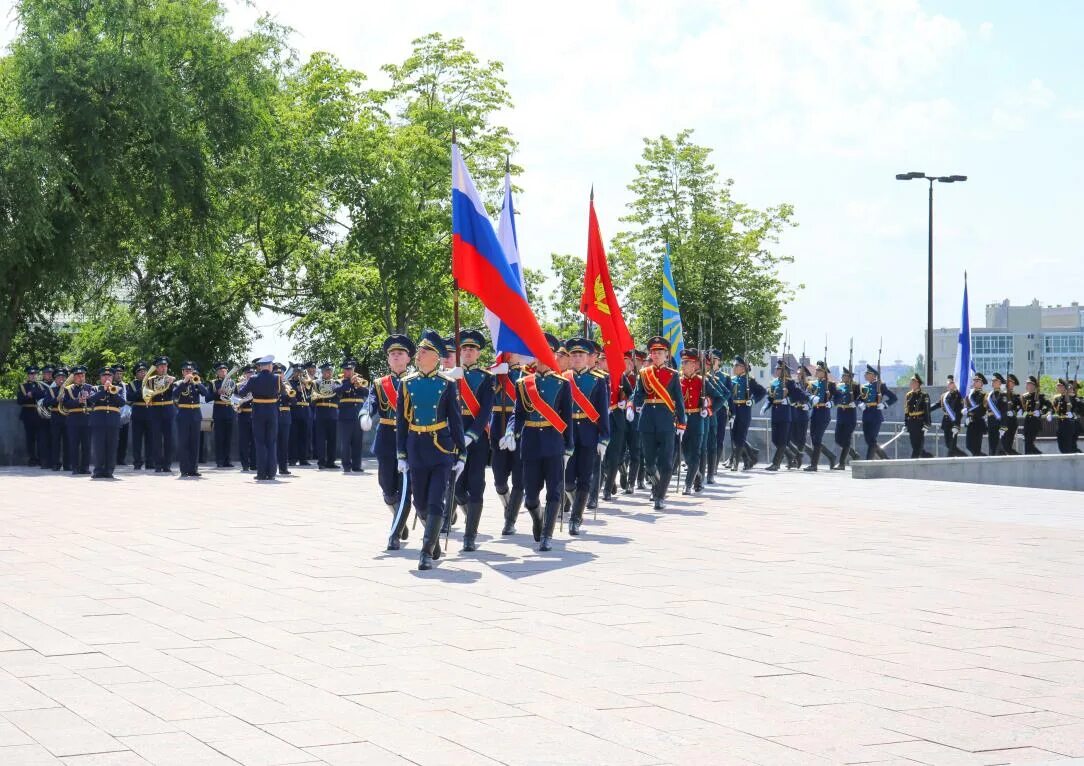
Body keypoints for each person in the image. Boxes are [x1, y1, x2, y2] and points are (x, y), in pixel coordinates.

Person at [397, 330, 466, 570]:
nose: (418, 355)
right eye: (419, 351)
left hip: (441, 448)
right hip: (416, 446)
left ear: (435, 357)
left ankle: (426, 552)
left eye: (423, 351)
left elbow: (455, 420)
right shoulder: (407, 384)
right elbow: (401, 422)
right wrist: (401, 454)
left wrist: (461, 453)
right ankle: (433, 540)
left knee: (437, 501)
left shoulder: (447, 384)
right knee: (421, 504)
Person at [510, 333, 572, 551]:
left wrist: (569, 445)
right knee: (531, 496)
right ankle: (538, 519)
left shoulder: (562, 384)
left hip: (554, 441)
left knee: (554, 491)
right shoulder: (523, 383)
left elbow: (566, 417)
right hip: (531, 442)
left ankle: (547, 535)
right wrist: (513, 433)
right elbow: (519, 413)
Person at [367, 335, 415, 550]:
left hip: (409, 438)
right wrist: (364, 414)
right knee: (387, 488)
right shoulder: (380, 383)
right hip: (386, 438)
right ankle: (399, 517)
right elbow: (371, 403)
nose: (396, 357)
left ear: (408, 358)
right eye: (392, 354)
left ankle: (394, 534)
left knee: (405, 488)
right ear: (388, 360)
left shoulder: (416, 380)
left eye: (400, 354)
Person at [450, 329, 495, 551]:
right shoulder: (449, 376)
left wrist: (472, 434)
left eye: (472, 349)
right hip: (453, 437)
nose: (468, 351)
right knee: (456, 486)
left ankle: (470, 535)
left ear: (478, 353)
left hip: (476, 439)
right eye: (464, 348)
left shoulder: (487, 378)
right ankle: (469, 513)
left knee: (476, 485)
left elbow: (486, 410)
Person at [562, 336, 609, 532]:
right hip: (567, 433)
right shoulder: (563, 379)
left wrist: (604, 437)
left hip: (589, 433)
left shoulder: (598, 380)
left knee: (584, 477)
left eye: (581, 354)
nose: (577, 357)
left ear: (588, 357)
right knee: (567, 479)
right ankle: (575, 503)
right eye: (574, 354)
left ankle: (576, 517)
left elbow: (602, 410)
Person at [632, 336, 686, 510]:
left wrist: (682, 423)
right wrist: (633, 405)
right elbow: (639, 394)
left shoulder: (673, 375)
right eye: (653, 352)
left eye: (659, 352)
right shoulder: (644, 373)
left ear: (667, 355)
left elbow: (679, 399)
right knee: (649, 463)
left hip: (666, 421)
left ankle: (660, 495)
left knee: (666, 462)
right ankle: (656, 487)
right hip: (647, 420)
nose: (655, 355)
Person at [492, 353, 527, 534]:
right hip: (499, 421)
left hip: (521, 424)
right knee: (499, 480)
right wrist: (498, 373)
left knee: (519, 479)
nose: (509, 354)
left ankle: (510, 520)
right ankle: (508, 506)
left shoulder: (527, 374)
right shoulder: (495, 372)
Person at [236, 355, 280, 481]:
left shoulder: (254, 378)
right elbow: (282, 393)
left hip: (258, 413)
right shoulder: (276, 378)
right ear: (270, 366)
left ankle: (261, 473)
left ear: (260, 367)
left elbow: (241, 393)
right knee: (271, 442)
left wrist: (248, 382)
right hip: (272, 412)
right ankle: (271, 473)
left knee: (260, 443)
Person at [601, 352, 634, 501]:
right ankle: (609, 477)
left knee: (614, 456)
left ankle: (607, 489)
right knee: (602, 458)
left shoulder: (620, 376)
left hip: (616, 420)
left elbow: (631, 394)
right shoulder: (596, 377)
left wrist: (625, 402)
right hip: (600, 421)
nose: (601, 362)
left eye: (604, 359)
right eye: (600, 359)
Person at [763, 361, 806, 471]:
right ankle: (794, 456)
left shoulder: (790, 383)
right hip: (775, 413)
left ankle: (775, 464)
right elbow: (770, 398)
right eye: (776, 369)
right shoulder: (774, 383)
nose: (776, 371)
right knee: (775, 440)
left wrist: (789, 399)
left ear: (784, 371)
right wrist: (766, 406)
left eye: (779, 369)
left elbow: (801, 395)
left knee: (782, 441)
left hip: (785, 414)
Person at [677, 349, 708, 493]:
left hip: (696, 420)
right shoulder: (678, 381)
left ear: (695, 364)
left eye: (686, 362)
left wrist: (708, 407)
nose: (683, 365)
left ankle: (687, 484)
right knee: (687, 456)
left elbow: (722, 395)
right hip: (682, 421)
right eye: (682, 362)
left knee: (695, 454)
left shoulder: (702, 381)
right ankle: (698, 477)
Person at [728, 356, 765, 471]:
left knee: (741, 436)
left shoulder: (750, 380)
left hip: (744, 409)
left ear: (743, 368)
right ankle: (749, 459)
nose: (734, 368)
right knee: (734, 437)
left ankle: (736, 463)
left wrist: (752, 400)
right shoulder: (732, 379)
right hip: (734, 410)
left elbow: (762, 392)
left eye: (736, 366)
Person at [89, 367, 126, 479]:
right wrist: (104, 391)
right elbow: (91, 399)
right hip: (98, 421)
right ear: (100, 378)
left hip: (113, 422)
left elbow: (122, 402)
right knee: (98, 447)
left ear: (112, 377)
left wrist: (112, 392)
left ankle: (109, 470)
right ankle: (98, 470)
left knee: (112, 447)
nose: (107, 378)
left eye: (109, 376)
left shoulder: (118, 389)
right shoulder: (95, 388)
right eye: (104, 376)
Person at [173, 362, 207, 478]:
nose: (189, 373)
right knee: (183, 443)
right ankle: (184, 469)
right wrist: (184, 382)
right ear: (182, 372)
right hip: (183, 415)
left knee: (195, 443)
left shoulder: (196, 382)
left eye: (190, 371)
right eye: (186, 371)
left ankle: (193, 469)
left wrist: (198, 383)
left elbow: (206, 394)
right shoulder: (178, 383)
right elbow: (175, 395)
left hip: (196, 415)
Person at [145, 356, 178, 473]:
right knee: (156, 439)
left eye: (165, 366)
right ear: (157, 368)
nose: (163, 368)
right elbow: (147, 395)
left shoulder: (172, 379)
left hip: (169, 410)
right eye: (160, 366)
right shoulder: (150, 380)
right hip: (156, 410)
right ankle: (158, 464)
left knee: (169, 439)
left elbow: (175, 395)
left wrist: (171, 384)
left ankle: (167, 465)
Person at [804, 361, 838, 471]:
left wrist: (832, 403)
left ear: (824, 372)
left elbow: (839, 396)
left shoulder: (830, 384)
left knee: (817, 438)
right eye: (817, 370)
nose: (817, 372)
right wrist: (811, 399)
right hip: (815, 413)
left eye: (819, 370)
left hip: (824, 413)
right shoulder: (812, 384)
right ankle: (831, 456)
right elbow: (807, 393)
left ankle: (814, 465)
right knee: (814, 439)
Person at [858, 364, 897, 460]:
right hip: (866, 415)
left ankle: (868, 461)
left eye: (867, 373)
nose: (865, 375)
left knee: (872, 440)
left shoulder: (880, 386)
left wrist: (884, 405)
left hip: (875, 415)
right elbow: (858, 399)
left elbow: (893, 398)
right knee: (869, 440)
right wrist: (860, 404)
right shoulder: (864, 387)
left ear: (873, 375)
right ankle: (885, 458)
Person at [59, 365, 94, 475]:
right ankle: (74, 467)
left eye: (82, 375)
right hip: (73, 420)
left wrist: (89, 398)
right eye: (78, 376)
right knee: (74, 445)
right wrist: (78, 401)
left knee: (86, 445)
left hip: (87, 419)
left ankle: (85, 468)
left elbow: (94, 402)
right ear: (74, 377)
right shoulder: (68, 389)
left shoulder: (90, 387)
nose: (81, 377)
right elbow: (66, 404)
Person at [336, 360, 368, 473]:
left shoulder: (360, 381)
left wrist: (358, 386)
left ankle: (356, 465)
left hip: (358, 415)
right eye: (347, 369)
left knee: (358, 442)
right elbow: (338, 391)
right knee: (345, 443)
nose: (349, 371)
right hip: (345, 416)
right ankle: (346, 466)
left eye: (351, 369)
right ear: (343, 370)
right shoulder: (339, 381)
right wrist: (349, 382)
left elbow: (367, 393)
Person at [705, 350, 731, 483]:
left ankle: (714, 465)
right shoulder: (705, 374)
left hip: (720, 410)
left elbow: (728, 394)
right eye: (711, 359)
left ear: (719, 361)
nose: (713, 361)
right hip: (705, 410)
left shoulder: (725, 376)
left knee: (718, 438)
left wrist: (732, 413)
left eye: (715, 359)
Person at [16, 365, 48, 467]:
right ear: (28, 375)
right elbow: (20, 401)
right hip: (28, 414)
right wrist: (27, 396)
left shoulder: (41, 385)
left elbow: (44, 395)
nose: (33, 376)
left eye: (34, 374)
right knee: (30, 438)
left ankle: (40, 458)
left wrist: (33, 394)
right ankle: (32, 459)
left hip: (39, 414)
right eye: (31, 374)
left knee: (40, 438)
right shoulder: (22, 386)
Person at [207, 363, 236, 468]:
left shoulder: (232, 383)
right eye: (221, 370)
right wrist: (217, 393)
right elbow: (207, 398)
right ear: (217, 372)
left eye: (225, 370)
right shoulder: (213, 383)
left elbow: (235, 396)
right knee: (219, 437)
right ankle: (219, 460)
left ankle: (227, 460)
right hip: (219, 412)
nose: (223, 372)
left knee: (228, 438)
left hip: (230, 411)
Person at [831, 366, 860, 470]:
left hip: (850, 414)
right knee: (838, 439)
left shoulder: (856, 386)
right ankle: (854, 454)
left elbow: (860, 398)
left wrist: (855, 403)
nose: (843, 377)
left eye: (845, 375)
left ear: (850, 377)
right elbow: (835, 397)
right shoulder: (839, 386)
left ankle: (842, 463)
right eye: (842, 375)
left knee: (846, 440)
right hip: (840, 414)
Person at [126, 362, 153, 470]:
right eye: (140, 372)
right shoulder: (132, 384)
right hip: (138, 413)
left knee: (150, 439)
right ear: (136, 374)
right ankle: (137, 463)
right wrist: (140, 390)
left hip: (150, 413)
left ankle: (150, 462)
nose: (143, 373)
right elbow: (130, 397)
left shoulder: (152, 382)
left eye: (144, 371)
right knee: (137, 440)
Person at [313, 363, 339, 469]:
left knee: (333, 439)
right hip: (321, 413)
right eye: (326, 371)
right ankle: (321, 462)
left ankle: (331, 462)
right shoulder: (317, 382)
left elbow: (339, 395)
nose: (329, 373)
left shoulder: (336, 383)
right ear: (322, 372)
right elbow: (313, 398)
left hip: (333, 413)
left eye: (330, 371)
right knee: (321, 439)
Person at [44, 367, 70, 471]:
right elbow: (46, 403)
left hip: (67, 417)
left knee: (68, 441)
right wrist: (56, 399)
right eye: (59, 377)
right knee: (55, 441)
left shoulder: (69, 390)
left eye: (63, 377)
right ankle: (55, 464)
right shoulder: (51, 390)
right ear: (55, 379)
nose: (61, 379)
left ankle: (68, 464)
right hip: (55, 417)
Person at [903, 374, 933, 459]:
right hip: (911, 423)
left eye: (913, 382)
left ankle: (912, 463)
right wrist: (905, 423)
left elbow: (927, 410)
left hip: (920, 422)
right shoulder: (908, 395)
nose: (911, 384)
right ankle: (930, 458)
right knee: (915, 445)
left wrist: (927, 424)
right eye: (911, 382)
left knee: (917, 446)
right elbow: (906, 410)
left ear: (918, 384)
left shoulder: (924, 395)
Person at [274, 362, 297, 476]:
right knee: (272, 443)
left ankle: (283, 468)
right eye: (277, 373)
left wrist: (289, 393)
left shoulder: (288, 385)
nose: (279, 375)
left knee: (284, 444)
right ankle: (272, 467)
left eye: (281, 373)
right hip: (274, 414)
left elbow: (294, 403)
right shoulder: (271, 384)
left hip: (285, 415)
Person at [289, 363, 314, 466]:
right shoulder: (289, 383)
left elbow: (312, 394)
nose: (298, 374)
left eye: (300, 372)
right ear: (293, 372)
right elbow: (288, 393)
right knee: (293, 436)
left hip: (305, 411)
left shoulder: (307, 382)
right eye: (296, 372)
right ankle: (292, 459)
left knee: (305, 436)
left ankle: (304, 458)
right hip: (294, 410)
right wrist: (296, 389)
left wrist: (306, 386)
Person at [788, 364, 811, 469]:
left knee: (801, 438)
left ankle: (797, 459)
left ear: (805, 375)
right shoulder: (795, 385)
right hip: (794, 412)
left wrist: (808, 405)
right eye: (798, 374)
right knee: (792, 437)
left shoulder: (809, 386)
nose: (799, 375)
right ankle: (805, 453)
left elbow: (811, 397)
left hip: (803, 413)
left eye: (801, 374)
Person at [938, 375, 967, 457]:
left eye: (950, 383)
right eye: (948, 382)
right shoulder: (945, 395)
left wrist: (956, 425)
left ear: (955, 384)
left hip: (954, 423)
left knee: (952, 446)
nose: (948, 384)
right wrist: (928, 409)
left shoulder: (959, 395)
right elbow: (938, 404)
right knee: (948, 444)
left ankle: (961, 458)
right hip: (946, 422)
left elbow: (959, 412)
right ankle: (963, 457)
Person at [1020, 375, 1049, 454]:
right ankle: (1035, 455)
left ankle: (1032, 455)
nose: (1028, 385)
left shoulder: (1040, 396)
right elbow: (1022, 407)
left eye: (1030, 384)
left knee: (1029, 441)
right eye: (1027, 384)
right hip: (1027, 421)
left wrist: (1041, 412)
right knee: (1027, 441)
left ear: (1034, 386)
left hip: (1035, 421)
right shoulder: (1024, 396)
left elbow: (1047, 405)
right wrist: (1019, 411)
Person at [236, 366, 256, 471]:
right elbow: (234, 399)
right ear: (245, 374)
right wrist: (241, 403)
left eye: (252, 373)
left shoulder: (257, 384)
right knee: (244, 441)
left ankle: (254, 464)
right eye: (248, 373)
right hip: (243, 414)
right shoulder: (239, 386)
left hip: (255, 415)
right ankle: (245, 464)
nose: (250, 374)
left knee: (255, 441)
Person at [1051, 379, 1078, 454]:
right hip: (1060, 423)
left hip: (1069, 423)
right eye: (1058, 386)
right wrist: (1050, 413)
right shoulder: (1057, 398)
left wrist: (1073, 414)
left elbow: (1078, 408)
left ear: (1064, 387)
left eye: (1059, 386)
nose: (1058, 388)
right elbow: (1053, 408)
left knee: (1068, 445)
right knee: (1061, 445)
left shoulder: (1072, 398)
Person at [985, 373, 1009, 456]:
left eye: (995, 381)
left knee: (998, 447)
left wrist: (1003, 426)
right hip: (991, 422)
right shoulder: (989, 395)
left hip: (998, 423)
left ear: (1000, 383)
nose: (993, 382)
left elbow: (1004, 411)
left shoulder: (1003, 395)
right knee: (991, 446)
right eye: (992, 380)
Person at [964, 372, 988, 456]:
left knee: (976, 448)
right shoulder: (969, 394)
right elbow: (968, 408)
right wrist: (967, 418)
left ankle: (984, 459)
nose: (974, 382)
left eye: (977, 381)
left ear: (981, 383)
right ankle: (983, 458)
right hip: (970, 423)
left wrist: (970, 414)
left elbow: (981, 409)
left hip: (978, 423)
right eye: (974, 381)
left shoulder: (984, 395)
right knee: (969, 446)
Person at [1001, 374, 1022, 455]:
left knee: (1008, 444)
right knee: (1003, 444)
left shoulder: (1016, 396)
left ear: (1013, 384)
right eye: (1008, 382)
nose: (1009, 384)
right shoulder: (1001, 394)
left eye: (1011, 382)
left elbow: (1020, 408)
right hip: (1003, 423)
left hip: (1012, 423)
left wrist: (1014, 412)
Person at [112, 363, 128, 465]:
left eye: (121, 373)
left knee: (123, 438)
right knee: (113, 438)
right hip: (113, 413)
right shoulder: (108, 385)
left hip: (124, 414)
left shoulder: (125, 385)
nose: (119, 375)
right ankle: (112, 458)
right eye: (117, 373)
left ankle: (121, 459)